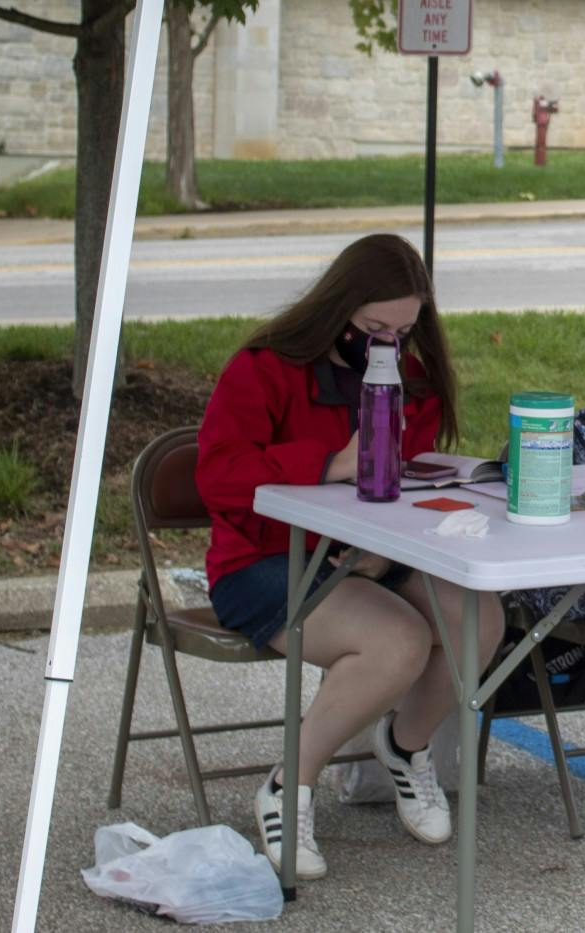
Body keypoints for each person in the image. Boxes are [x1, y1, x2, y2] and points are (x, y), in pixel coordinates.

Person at [195, 233, 504, 880]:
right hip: (260, 560)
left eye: (404, 329)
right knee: (398, 641)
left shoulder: (410, 378)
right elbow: (218, 477)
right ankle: (289, 785)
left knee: (478, 618)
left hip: (363, 554)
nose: (388, 341)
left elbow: (399, 480)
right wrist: (332, 463)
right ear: (339, 307)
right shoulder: (265, 366)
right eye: (373, 326)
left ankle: (404, 745)